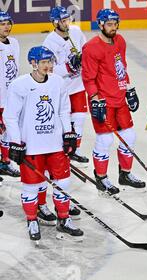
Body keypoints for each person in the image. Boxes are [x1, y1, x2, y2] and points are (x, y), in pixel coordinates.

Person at [3, 46, 83, 243]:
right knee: (31, 187)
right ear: (33, 63)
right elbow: (10, 116)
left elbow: (64, 109)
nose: (48, 66)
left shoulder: (57, 82)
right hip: (31, 146)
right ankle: (32, 220)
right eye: (44, 62)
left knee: (63, 183)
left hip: (55, 144)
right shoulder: (20, 85)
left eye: (50, 62)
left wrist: (68, 133)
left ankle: (63, 218)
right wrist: (15, 142)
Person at [82, 8, 145, 195]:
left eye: (115, 24)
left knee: (129, 136)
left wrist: (129, 89)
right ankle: (101, 177)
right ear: (100, 24)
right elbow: (88, 78)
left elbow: (122, 68)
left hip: (119, 97)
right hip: (103, 100)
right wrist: (94, 99)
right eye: (109, 24)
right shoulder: (91, 47)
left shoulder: (120, 41)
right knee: (105, 139)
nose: (113, 27)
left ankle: (125, 174)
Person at [43, 6, 89, 165]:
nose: (66, 23)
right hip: (62, 89)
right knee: (64, 121)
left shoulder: (76, 32)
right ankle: (63, 149)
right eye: (63, 20)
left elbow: (87, 50)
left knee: (80, 119)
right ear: (55, 23)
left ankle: (75, 149)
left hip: (79, 85)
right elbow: (47, 70)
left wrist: (84, 58)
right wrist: (69, 67)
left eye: (67, 19)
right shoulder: (49, 42)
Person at [0, 11, 20, 177]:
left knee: (7, 132)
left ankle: (5, 162)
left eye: (8, 23)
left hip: (10, 98)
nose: (6, 27)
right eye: (2, 24)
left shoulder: (14, 42)